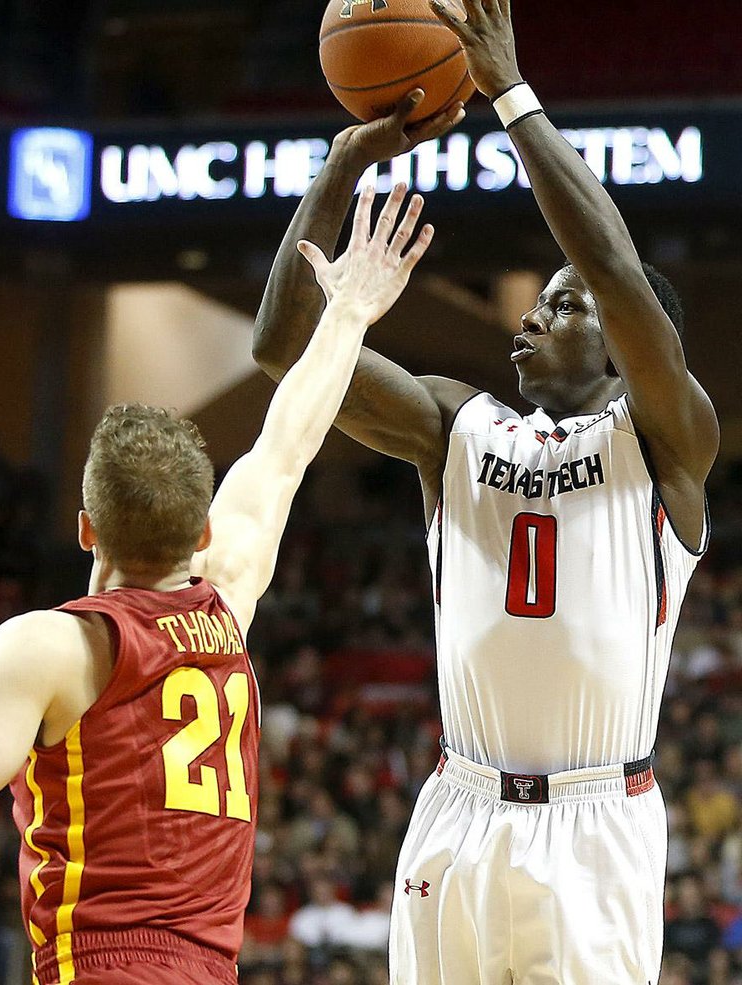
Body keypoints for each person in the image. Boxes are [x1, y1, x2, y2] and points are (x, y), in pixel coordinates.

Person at [252, 0, 720, 981]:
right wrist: (340, 167)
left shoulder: (664, 438)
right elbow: (282, 349)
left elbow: (611, 263)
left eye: (559, 306)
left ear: (624, 340)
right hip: (456, 809)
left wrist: (508, 92)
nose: (526, 320)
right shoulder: (453, 426)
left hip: (593, 822)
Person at [0, 187, 435, 984]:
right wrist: (348, 311)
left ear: (84, 528)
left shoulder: (49, 647)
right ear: (201, 533)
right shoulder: (228, 595)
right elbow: (287, 445)